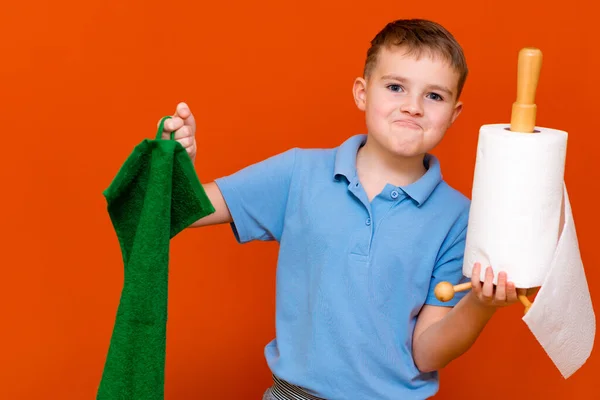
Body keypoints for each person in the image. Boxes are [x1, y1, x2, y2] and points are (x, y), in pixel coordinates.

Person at [158, 18, 522, 400]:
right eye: (396, 87)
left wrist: (480, 305)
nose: (413, 107)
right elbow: (186, 210)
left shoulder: (459, 219)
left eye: (434, 96)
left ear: (454, 113)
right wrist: (175, 162)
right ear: (362, 93)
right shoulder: (299, 173)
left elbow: (426, 353)